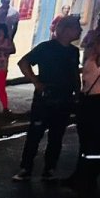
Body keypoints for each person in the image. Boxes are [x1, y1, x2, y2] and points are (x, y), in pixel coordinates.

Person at [12, 15, 82, 181]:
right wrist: (36, 82)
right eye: (76, 28)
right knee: (35, 133)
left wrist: (77, 92)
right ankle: (26, 167)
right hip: (46, 98)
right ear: (66, 30)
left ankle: (49, 168)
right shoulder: (46, 48)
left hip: (65, 99)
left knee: (57, 136)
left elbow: (74, 73)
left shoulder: (73, 51)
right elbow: (23, 63)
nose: (79, 31)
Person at [66, 33, 100, 190]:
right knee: (86, 141)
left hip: (95, 101)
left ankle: (88, 177)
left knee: (93, 142)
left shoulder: (94, 59)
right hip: (87, 99)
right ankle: (80, 175)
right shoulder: (91, 57)